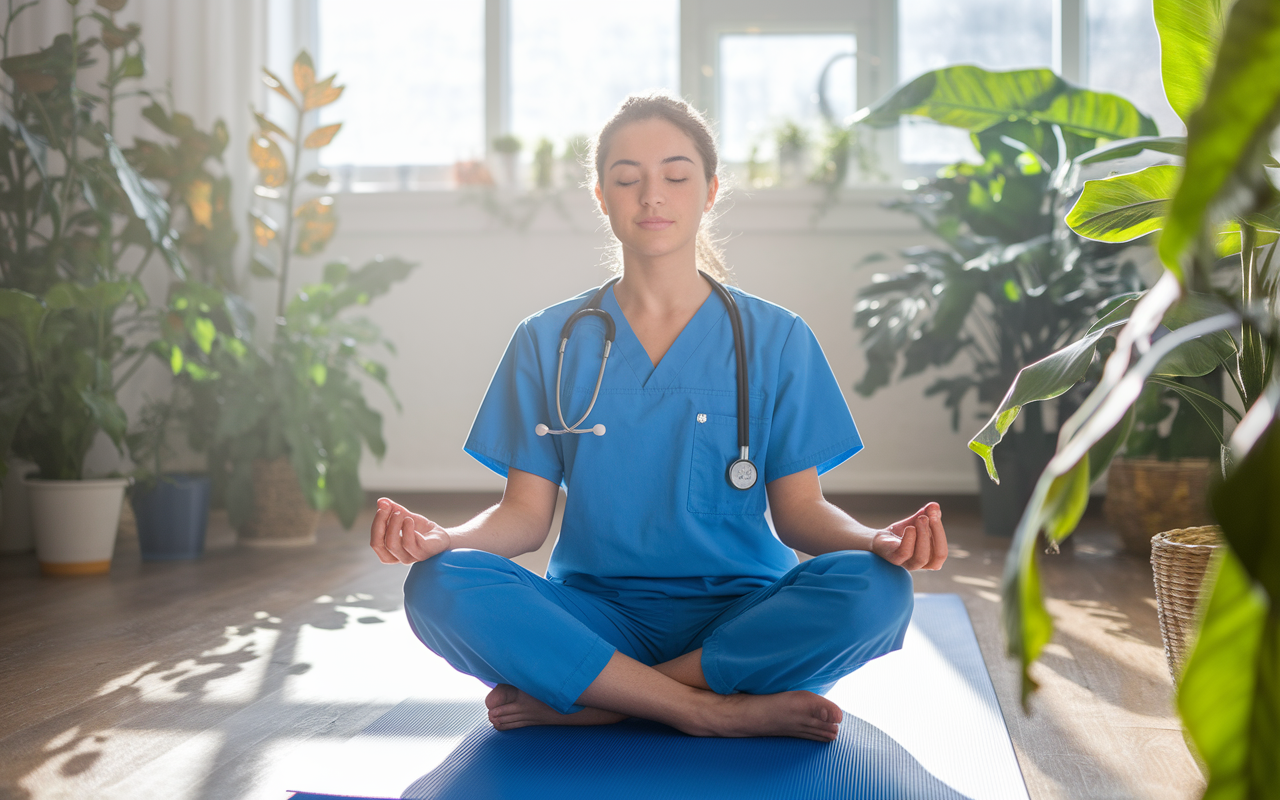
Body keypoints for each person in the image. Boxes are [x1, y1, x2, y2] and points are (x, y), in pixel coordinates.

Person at [369, 93, 947, 743]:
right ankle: (698, 707)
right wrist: (442, 540)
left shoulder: (777, 337)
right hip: (596, 614)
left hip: (742, 617)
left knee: (879, 590)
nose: (652, 196)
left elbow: (800, 515)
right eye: (627, 179)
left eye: (675, 176)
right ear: (601, 197)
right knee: (439, 585)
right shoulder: (545, 339)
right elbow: (524, 520)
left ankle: (608, 697)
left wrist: (878, 542)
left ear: (709, 192)